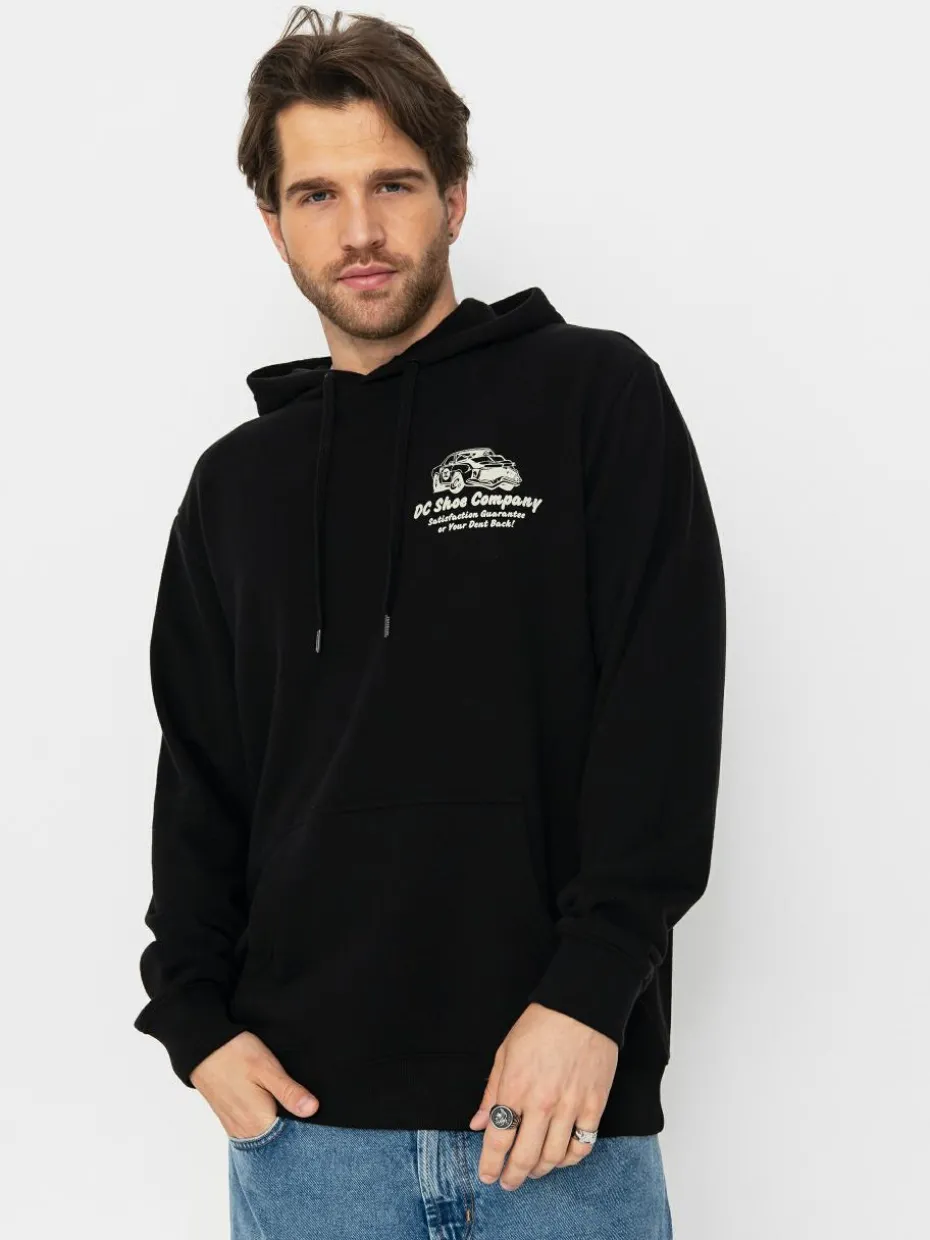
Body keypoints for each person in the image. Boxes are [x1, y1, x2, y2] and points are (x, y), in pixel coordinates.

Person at [132, 8, 726, 1238]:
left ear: (454, 197)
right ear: (273, 222)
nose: (359, 230)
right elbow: (202, 781)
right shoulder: (236, 486)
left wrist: (591, 996)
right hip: (307, 1143)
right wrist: (193, 1024)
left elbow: (662, 715)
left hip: (557, 1124)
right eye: (317, 194)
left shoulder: (594, 397)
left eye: (393, 183)